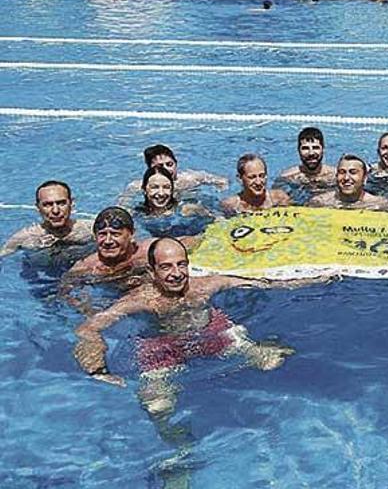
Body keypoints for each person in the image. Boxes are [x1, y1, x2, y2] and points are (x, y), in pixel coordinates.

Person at [72, 237, 328, 417]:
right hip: (162, 348)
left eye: (181, 264)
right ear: (151, 271)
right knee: (158, 408)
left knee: (273, 361)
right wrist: (97, 369)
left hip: (211, 333)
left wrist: (315, 279)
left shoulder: (204, 286)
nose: (176, 273)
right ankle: (177, 456)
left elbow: (263, 283)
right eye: (166, 266)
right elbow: (88, 329)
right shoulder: (141, 300)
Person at [1, 180, 93, 257]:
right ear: (38, 207)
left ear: (71, 204)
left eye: (61, 203)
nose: (55, 210)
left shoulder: (90, 229)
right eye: (47, 205)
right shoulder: (24, 238)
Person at [120, 144, 228, 204]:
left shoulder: (191, 179)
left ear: (176, 163)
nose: (167, 169)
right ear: (149, 168)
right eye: (160, 166)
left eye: (170, 164)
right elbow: (123, 204)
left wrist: (221, 194)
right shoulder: (137, 186)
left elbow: (222, 181)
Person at [136, 166, 213, 237]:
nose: (161, 193)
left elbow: (215, 221)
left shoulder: (186, 209)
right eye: (154, 187)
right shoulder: (138, 214)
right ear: (144, 189)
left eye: (166, 187)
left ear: (172, 189)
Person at [308, 154, 388, 210]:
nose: (346, 177)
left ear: (364, 179)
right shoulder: (320, 202)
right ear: (336, 177)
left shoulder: (379, 204)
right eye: (342, 172)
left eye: (353, 172)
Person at [220, 154, 291, 216]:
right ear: (239, 178)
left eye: (261, 176)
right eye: (252, 177)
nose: (258, 182)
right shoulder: (231, 205)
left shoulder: (279, 199)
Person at [277, 127, 336, 193]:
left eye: (315, 147)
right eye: (305, 148)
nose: (311, 153)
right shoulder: (287, 177)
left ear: (323, 149)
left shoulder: (335, 175)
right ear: (298, 150)